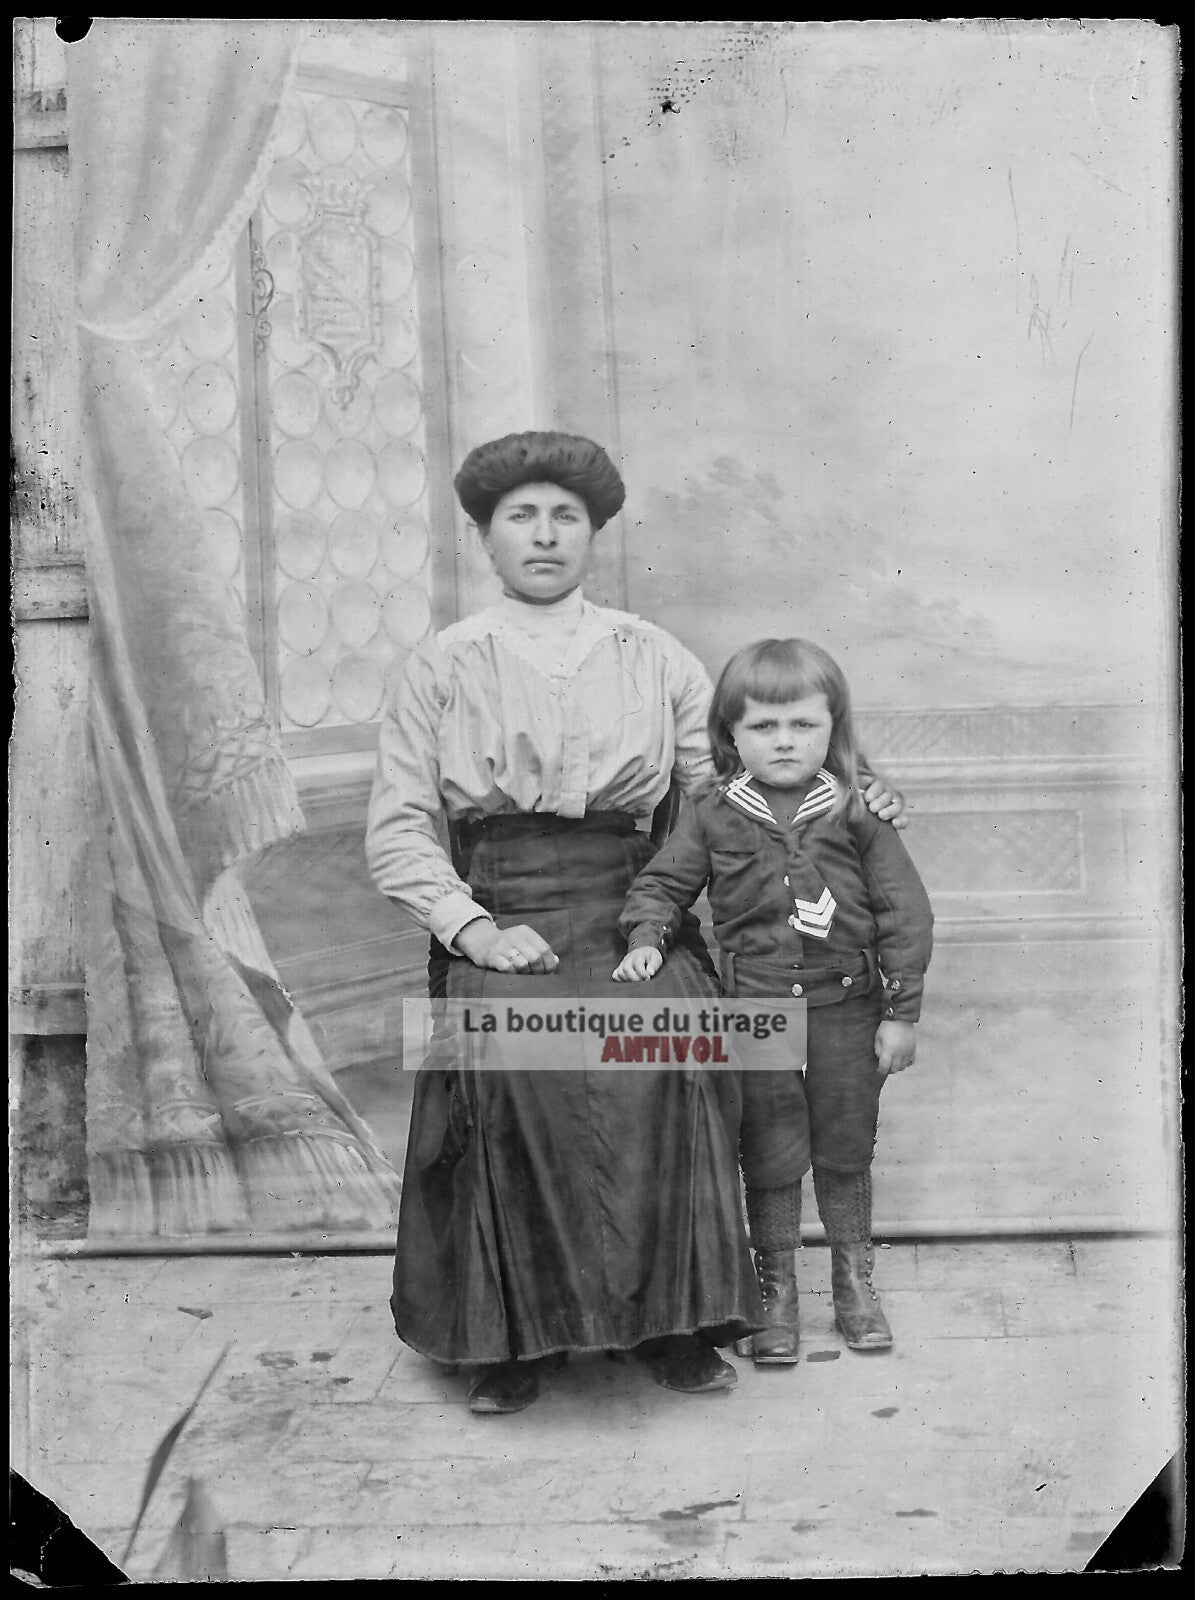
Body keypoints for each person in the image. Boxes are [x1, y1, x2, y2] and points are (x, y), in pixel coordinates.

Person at [366, 430, 769, 1415]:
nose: (544, 536)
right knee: (513, 1062)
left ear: (591, 534)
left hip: (628, 900)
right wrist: (474, 929)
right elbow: (400, 828)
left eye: (565, 518)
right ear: (484, 537)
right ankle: (510, 1337)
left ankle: (672, 1321)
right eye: (521, 517)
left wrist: (837, 810)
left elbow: (722, 794)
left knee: (669, 1038)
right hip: (501, 902)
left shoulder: (654, 655)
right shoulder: (443, 665)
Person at [614, 637, 934, 1366]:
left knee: (846, 1147)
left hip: (846, 1010)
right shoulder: (712, 812)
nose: (783, 742)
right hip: (755, 1013)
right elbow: (663, 885)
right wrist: (646, 937)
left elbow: (904, 913)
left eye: (802, 726)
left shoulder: (857, 810)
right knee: (768, 1152)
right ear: (729, 733)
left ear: (833, 727)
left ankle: (854, 1284)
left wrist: (901, 1011)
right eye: (762, 726)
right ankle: (776, 1293)